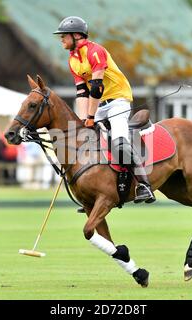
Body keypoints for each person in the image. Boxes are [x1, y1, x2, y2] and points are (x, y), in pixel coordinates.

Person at [53, 16, 155, 203]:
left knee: (119, 143)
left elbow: (96, 87)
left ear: (77, 35)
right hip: (98, 104)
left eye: (64, 36)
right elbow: (82, 92)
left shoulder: (96, 51)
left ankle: (143, 184)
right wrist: (83, 120)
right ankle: (92, 190)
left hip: (118, 100)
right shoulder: (73, 60)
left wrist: (91, 116)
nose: (61, 39)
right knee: (83, 140)